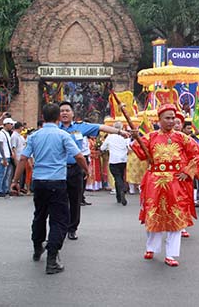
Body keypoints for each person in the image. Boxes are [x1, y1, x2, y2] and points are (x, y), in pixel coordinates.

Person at [11, 103, 87, 274]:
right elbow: (79, 156)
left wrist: (15, 180)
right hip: (57, 181)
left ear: (43, 117)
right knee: (59, 220)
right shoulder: (63, 135)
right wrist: (87, 171)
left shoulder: (34, 136)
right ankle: (52, 257)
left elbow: (23, 159)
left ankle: (38, 246)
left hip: (39, 181)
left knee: (39, 215)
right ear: (58, 117)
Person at [130, 104, 199, 267]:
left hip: (175, 182)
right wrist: (136, 138)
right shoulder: (150, 137)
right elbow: (142, 154)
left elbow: (198, 155)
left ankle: (171, 254)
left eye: (173, 118)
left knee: (175, 215)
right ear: (159, 120)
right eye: (167, 118)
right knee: (153, 213)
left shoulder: (182, 138)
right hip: (154, 181)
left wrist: (188, 171)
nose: (171, 121)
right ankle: (151, 247)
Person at [59, 101, 127, 240]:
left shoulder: (81, 127)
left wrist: (119, 132)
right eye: (62, 111)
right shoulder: (54, 128)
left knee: (75, 200)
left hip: (75, 169)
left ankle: (72, 228)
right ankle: (59, 227)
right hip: (58, 170)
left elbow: (102, 127)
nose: (64, 113)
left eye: (67, 110)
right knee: (59, 201)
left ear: (72, 113)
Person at [100, 121, 130, 206]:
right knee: (120, 176)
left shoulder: (110, 137)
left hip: (114, 159)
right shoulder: (124, 136)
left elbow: (103, 147)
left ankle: (122, 188)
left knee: (117, 177)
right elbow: (129, 146)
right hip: (123, 159)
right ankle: (119, 196)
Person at [0, 118, 15, 197]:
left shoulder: (7, 133)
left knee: (6, 175)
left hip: (7, 156)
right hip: (3, 156)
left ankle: (4, 189)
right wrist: (3, 158)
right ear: (6, 124)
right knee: (1, 174)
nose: (11, 126)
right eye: (10, 124)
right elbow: (0, 146)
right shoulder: (1, 133)